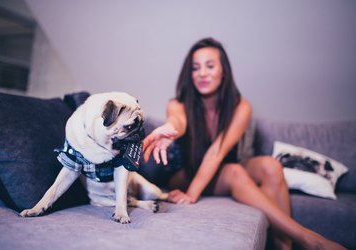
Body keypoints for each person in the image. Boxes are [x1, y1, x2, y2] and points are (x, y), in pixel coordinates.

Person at [142, 37, 344, 250]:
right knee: (234, 172)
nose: (202, 73)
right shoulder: (178, 104)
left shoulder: (241, 107)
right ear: (189, 74)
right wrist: (170, 130)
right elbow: (178, 121)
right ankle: (310, 239)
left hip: (222, 165)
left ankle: (284, 246)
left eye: (210, 66)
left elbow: (217, 152)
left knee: (271, 166)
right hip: (186, 172)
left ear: (224, 72)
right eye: (195, 68)